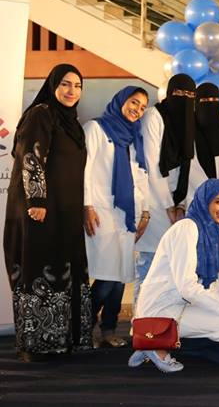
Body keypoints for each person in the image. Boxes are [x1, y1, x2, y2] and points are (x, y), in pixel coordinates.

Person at [4, 64, 92, 361]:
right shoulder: (41, 114)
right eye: (65, 84)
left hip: (66, 212)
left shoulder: (72, 123)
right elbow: (31, 156)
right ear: (53, 85)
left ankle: (63, 339)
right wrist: (37, 201)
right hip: (40, 211)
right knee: (39, 270)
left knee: (65, 270)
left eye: (77, 86)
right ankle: (37, 343)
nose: (72, 91)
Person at [129, 179, 219, 372]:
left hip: (184, 306)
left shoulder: (210, 230)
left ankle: (156, 340)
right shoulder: (187, 228)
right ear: (205, 200)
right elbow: (188, 288)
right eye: (218, 202)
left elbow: (206, 281)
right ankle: (154, 341)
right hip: (162, 309)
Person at [83, 86, 150, 349]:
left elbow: (140, 176)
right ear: (121, 100)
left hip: (127, 213)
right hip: (101, 210)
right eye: (134, 102)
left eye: (142, 107)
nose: (137, 110)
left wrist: (145, 210)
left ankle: (109, 330)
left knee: (121, 275)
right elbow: (85, 169)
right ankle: (82, 328)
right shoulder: (95, 128)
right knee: (107, 274)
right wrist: (86, 205)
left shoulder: (134, 136)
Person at [138, 74, 196, 297]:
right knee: (149, 265)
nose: (184, 98)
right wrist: (167, 204)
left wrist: (180, 203)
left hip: (175, 200)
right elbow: (152, 164)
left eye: (190, 94)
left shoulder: (189, 119)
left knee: (170, 269)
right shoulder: (154, 116)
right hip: (154, 200)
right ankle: (141, 316)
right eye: (179, 93)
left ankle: (162, 317)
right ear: (170, 93)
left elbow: (187, 164)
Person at [190, 83, 219, 188]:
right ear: (196, 103)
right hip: (193, 192)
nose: (210, 104)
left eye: (215, 100)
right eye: (205, 100)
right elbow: (190, 170)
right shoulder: (189, 133)